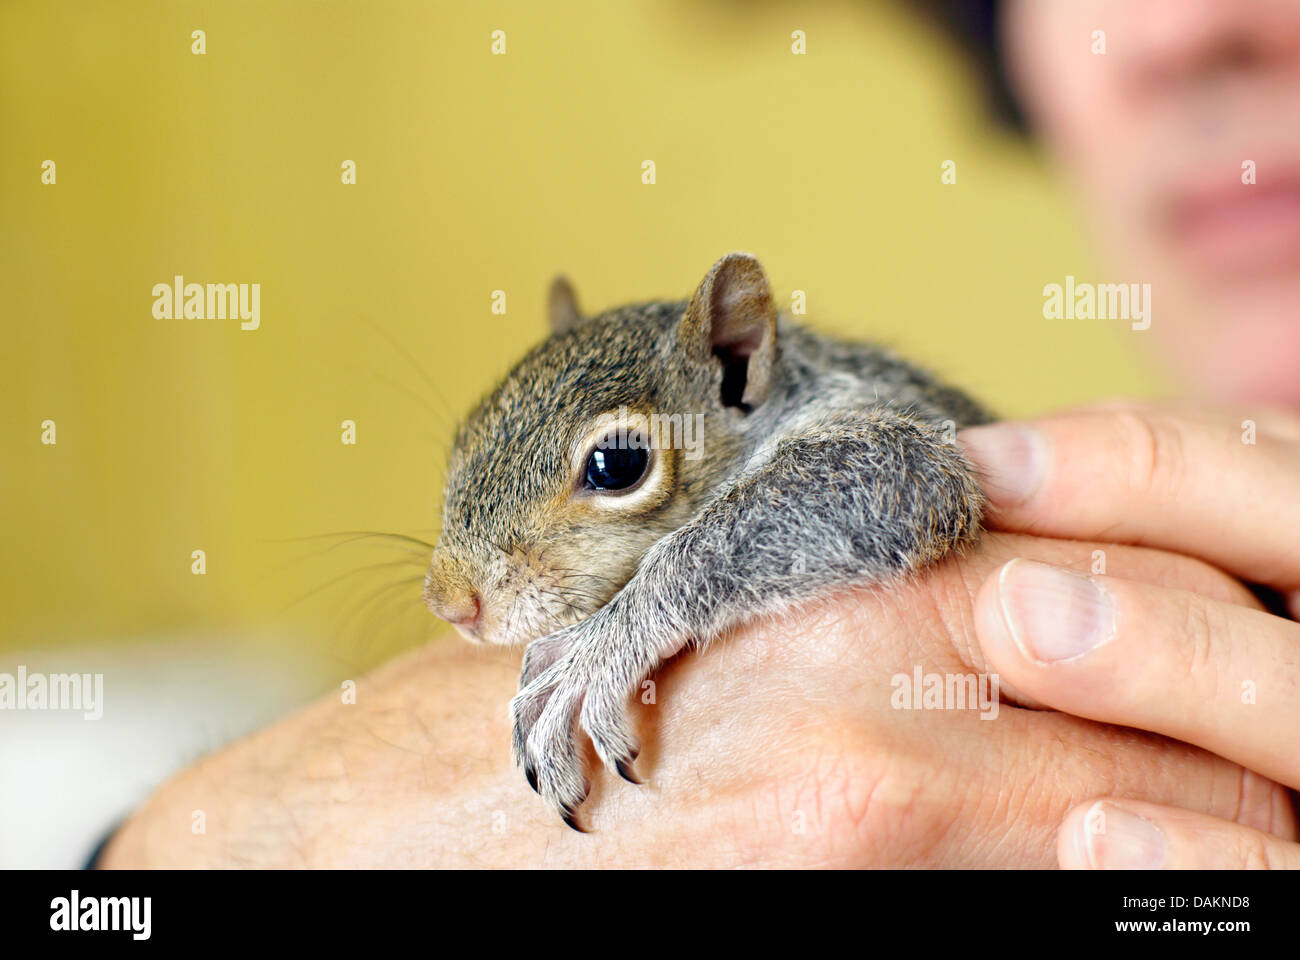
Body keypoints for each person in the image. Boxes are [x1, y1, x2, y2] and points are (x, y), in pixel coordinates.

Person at [100, 0, 1300, 868]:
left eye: (616, 469)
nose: (1176, 30)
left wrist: (644, 617)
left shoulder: (836, 430)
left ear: (737, 369)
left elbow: (901, 491)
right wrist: (170, 861)